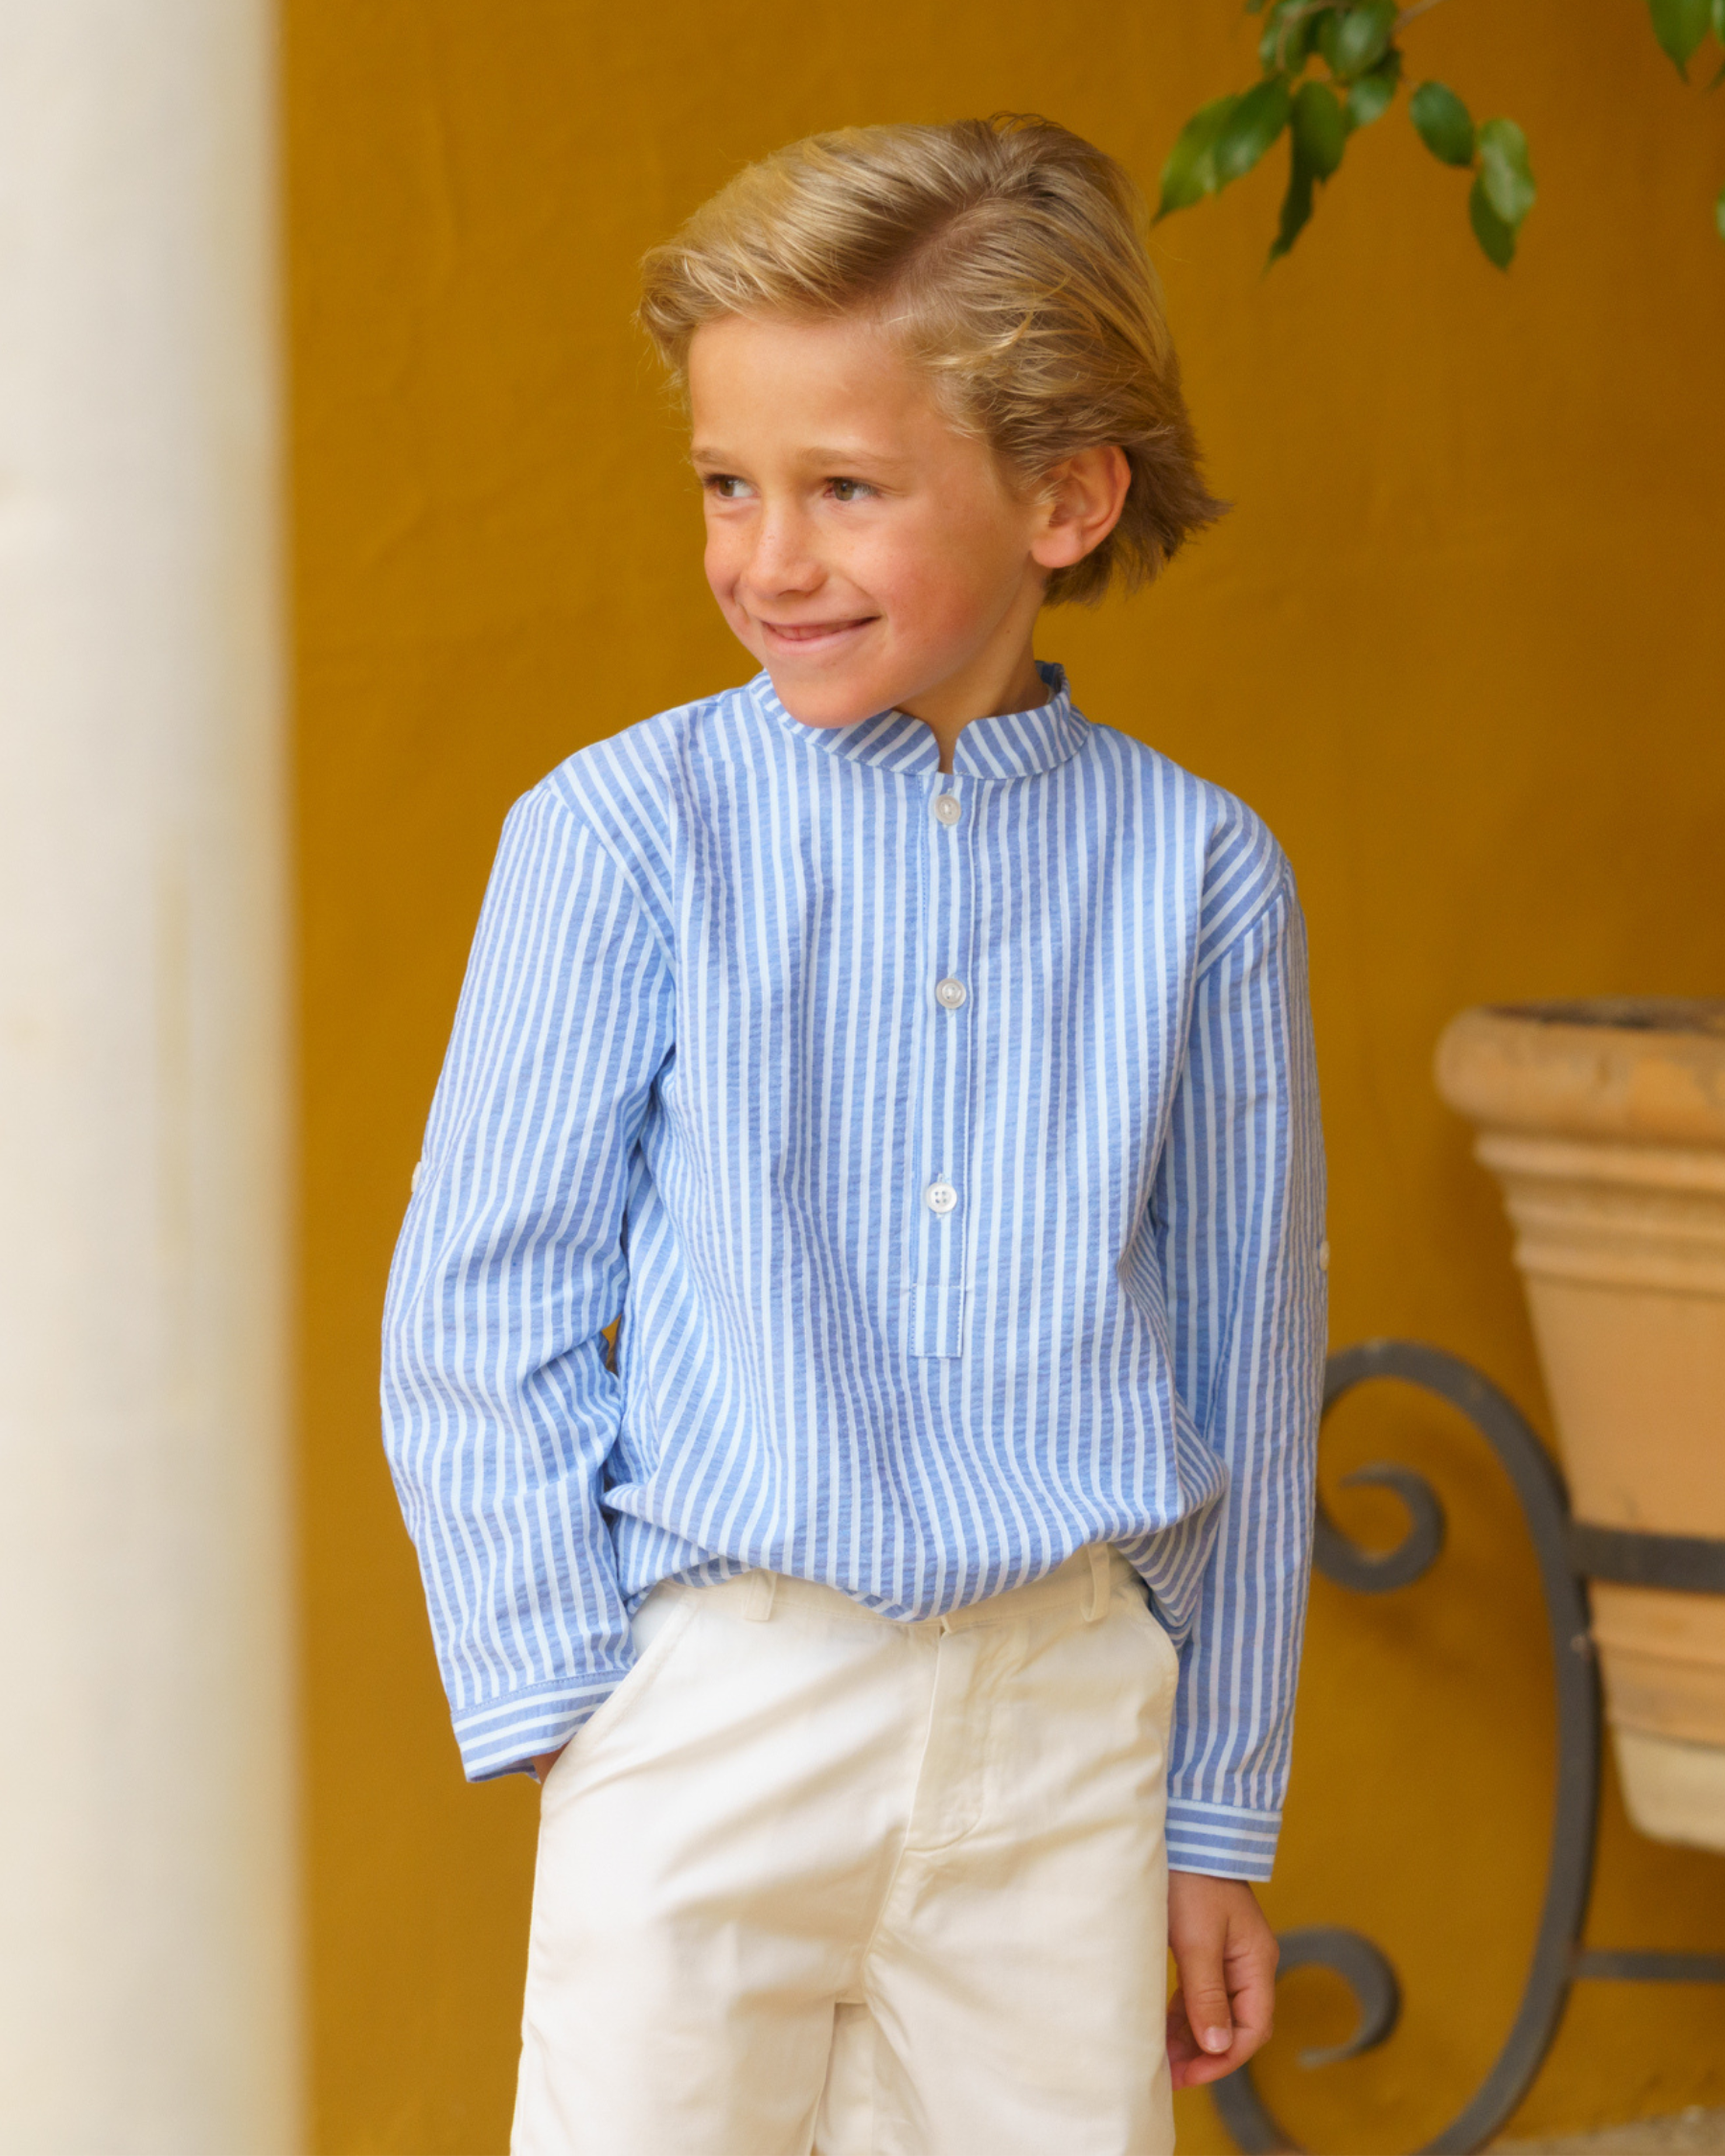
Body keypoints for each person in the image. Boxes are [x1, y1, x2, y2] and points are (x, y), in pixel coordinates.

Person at [381, 113, 1326, 2156]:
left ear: (1067, 496)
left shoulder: (1204, 880)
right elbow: (480, 1294)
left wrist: (1214, 1813)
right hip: (715, 1694)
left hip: (1068, 1722)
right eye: (727, 484)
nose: (766, 559)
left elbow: (1248, 1367)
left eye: (844, 489)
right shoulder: (620, 836)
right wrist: (579, 1710)